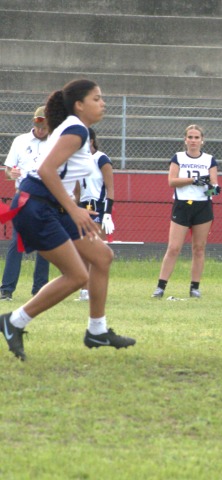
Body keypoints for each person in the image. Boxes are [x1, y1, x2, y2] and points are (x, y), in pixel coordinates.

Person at [0, 79, 135, 361]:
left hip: (50, 206)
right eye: (96, 98)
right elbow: (46, 171)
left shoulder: (75, 128)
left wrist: (73, 208)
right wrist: (75, 210)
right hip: (35, 205)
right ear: (79, 105)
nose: (103, 103)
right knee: (77, 276)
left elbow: (60, 174)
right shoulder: (76, 130)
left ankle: (97, 331)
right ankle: (14, 321)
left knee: (102, 257)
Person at [152, 125, 220, 299]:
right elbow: (171, 181)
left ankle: (194, 287)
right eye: (190, 137)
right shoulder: (178, 157)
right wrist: (193, 180)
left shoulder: (209, 160)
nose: (193, 140)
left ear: (202, 140)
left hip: (202, 206)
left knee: (199, 248)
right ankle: (160, 287)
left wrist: (212, 188)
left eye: (197, 137)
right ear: (185, 139)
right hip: (182, 205)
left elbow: (214, 187)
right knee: (174, 247)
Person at [0, 106, 51, 301]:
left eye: (45, 127)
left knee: (44, 244)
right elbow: (7, 171)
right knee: (17, 242)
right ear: (34, 122)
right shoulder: (20, 141)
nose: (41, 131)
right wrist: (11, 173)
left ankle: (40, 290)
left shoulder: (55, 143)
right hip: (23, 196)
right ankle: (6, 289)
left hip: (46, 196)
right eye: (39, 126)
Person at [75, 128, 115, 301]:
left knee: (94, 248)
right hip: (83, 207)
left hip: (98, 206)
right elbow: (77, 190)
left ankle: (96, 289)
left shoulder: (101, 159)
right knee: (82, 249)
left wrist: (108, 213)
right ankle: (84, 290)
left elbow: (110, 188)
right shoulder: (77, 160)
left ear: (91, 141)